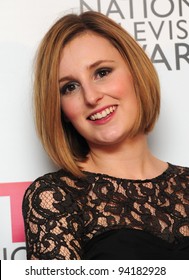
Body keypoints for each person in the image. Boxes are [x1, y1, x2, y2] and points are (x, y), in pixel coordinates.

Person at [22, 11, 189, 260]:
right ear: (61, 110)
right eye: (70, 87)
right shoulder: (55, 198)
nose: (90, 97)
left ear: (136, 72)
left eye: (102, 72)